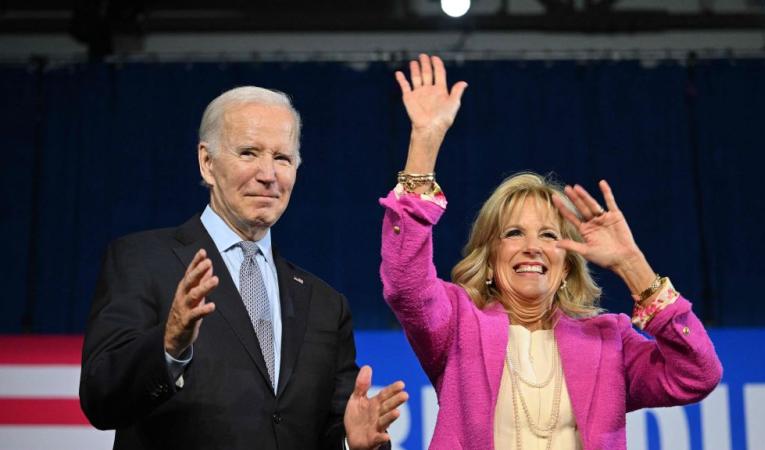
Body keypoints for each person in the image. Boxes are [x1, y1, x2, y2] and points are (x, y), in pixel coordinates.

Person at [380, 54, 722, 449]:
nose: (532, 248)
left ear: (566, 266)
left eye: (548, 235)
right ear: (490, 259)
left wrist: (632, 265)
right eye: (513, 233)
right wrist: (424, 142)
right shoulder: (458, 325)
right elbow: (405, 284)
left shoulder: (608, 341)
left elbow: (697, 374)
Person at [80, 86, 407, 450]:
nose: (268, 174)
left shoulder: (325, 305)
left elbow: (325, 429)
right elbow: (100, 397)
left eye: (282, 158)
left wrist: (350, 442)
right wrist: (169, 344)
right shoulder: (142, 260)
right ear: (207, 162)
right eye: (249, 152)